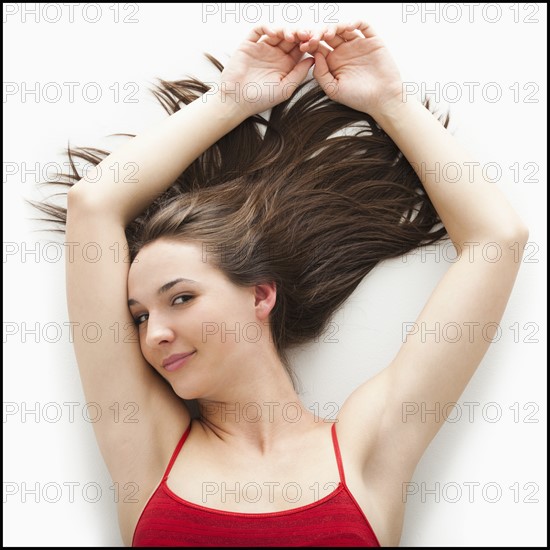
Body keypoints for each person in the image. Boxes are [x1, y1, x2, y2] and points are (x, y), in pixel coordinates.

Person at [32, 21, 529, 547]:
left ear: (260, 295)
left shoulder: (364, 451)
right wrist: (230, 100)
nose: (153, 334)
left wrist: (391, 102)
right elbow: (93, 206)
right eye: (139, 315)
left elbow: (497, 239)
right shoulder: (147, 449)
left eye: (181, 298)